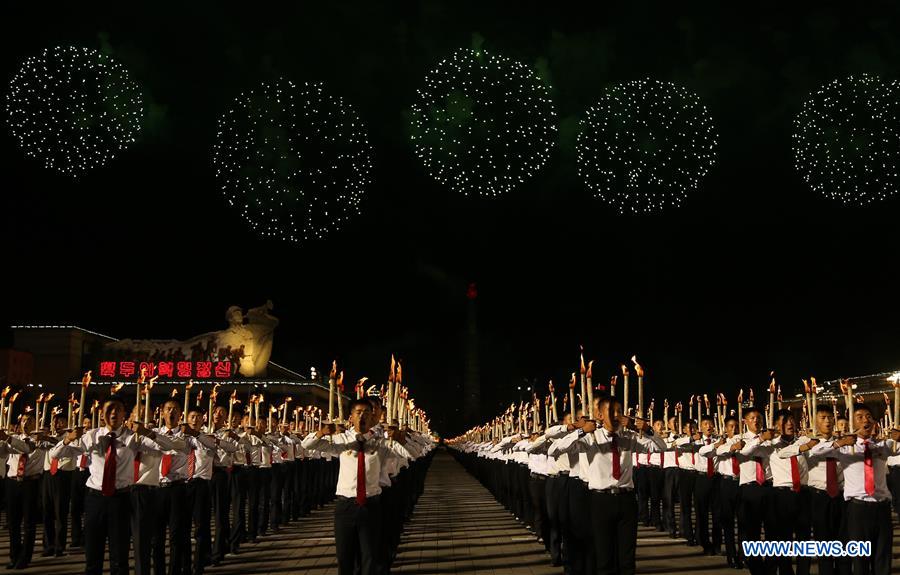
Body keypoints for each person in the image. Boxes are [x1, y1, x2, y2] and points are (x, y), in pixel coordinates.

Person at [50, 397, 175, 575]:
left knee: (120, 557)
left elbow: (169, 448)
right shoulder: (91, 436)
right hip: (95, 499)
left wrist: (149, 432)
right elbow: (55, 454)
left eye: (118, 409)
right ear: (102, 414)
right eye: (109, 409)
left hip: (122, 499)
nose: (114, 413)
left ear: (125, 414)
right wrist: (68, 440)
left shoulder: (134, 437)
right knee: (93, 555)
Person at [300, 398, 410, 575]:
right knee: (345, 559)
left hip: (370, 505)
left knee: (370, 557)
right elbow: (306, 445)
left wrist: (402, 440)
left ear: (372, 416)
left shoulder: (381, 442)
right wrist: (321, 432)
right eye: (358, 412)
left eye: (367, 413)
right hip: (345, 506)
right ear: (351, 417)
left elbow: (412, 454)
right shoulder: (341, 440)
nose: (362, 416)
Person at [810, 403, 900, 575]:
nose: (865, 420)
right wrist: (838, 443)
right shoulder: (845, 448)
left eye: (868, 416)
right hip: (857, 509)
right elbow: (815, 451)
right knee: (860, 559)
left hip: (881, 508)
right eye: (859, 417)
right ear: (851, 423)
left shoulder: (884, 445)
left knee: (882, 558)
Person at [733, 406, 777, 575]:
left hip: (768, 486)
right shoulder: (740, 438)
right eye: (752, 418)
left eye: (758, 417)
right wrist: (759, 439)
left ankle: (771, 567)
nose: (756, 420)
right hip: (750, 489)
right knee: (752, 533)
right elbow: (744, 452)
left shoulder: (770, 438)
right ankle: (756, 568)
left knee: (773, 532)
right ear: (744, 421)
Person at [4, 413, 50, 570]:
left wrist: (7, 438)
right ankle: (14, 555)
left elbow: (27, 447)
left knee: (29, 523)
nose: (26, 423)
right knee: (12, 523)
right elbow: (6, 450)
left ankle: (25, 556)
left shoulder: (40, 441)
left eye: (30, 421)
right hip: (12, 483)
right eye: (23, 420)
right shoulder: (12, 438)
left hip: (30, 483)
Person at [770, 409, 812, 575]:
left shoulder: (804, 441)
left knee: (804, 540)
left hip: (803, 493)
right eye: (784, 421)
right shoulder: (770, 444)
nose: (789, 424)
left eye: (791, 420)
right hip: (782, 496)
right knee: (783, 539)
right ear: (775, 425)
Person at [709, 415, 743, 569]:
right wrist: (732, 447)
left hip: (742, 483)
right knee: (728, 522)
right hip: (726, 483)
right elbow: (719, 451)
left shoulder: (745, 442)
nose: (734, 429)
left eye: (736, 426)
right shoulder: (722, 444)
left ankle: (743, 556)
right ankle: (731, 555)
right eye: (730, 426)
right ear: (726, 428)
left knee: (743, 523)